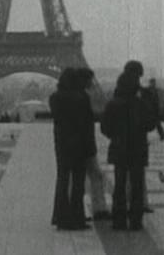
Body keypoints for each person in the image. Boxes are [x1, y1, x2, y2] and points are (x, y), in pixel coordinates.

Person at [101, 60, 152, 231]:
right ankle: (136, 220)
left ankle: (119, 220)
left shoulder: (113, 104)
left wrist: (116, 136)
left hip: (119, 149)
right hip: (138, 149)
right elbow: (150, 124)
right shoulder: (140, 104)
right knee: (137, 185)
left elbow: (105, 128)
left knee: (120, 185)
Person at [49, 68, 92, 230]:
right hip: (79, 145)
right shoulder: (82, 98)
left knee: (62, 180)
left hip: (62, 145)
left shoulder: (54, 98)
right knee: (78, 184)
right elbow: (87, 124)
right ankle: (77, 218)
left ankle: (60, 217)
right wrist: (90, 147)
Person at [75, 67, 110, 221]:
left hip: (75, 146)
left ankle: (77, 211)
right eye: (89, 80)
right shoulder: (82, 98)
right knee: (95, 175)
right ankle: (99, 209)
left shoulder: (72, 96)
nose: (91, 83)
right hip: (85, 146)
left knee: (78, 179)